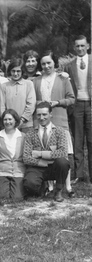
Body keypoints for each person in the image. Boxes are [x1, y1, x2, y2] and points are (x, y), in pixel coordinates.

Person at [33, 50, 75, 195]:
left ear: (54, 63)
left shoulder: (63, 79)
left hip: (59, 120)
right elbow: (32, 100)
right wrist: (41, 103)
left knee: (62, 155)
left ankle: (67, 186)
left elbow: (71, 98)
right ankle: (50, 187)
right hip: (43, 122)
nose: (46, 66)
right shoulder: (36, 81)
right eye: (43, 63)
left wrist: (58, 102)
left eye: (49, 63)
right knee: (47, 152)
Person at [23, 102, 69, 202]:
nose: (41, 117)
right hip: (37, 167)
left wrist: (40, 154)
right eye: (39, 115)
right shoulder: (30, 133)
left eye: (44, 114)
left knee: (63, 162)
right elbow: (26, 157)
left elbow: (63, 152)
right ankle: (41, 189)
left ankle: (58, 190)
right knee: (29, 183)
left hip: (54, 167)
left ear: (50, 114)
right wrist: (41, 162)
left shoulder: (59, 131)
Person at [63, 35, 92, 184]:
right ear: (74, 48)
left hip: (91, 105)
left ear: (87, 46)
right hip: (77, 105)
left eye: (83, 46)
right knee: (78, 141)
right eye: (77, 46)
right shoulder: (69, 65)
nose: (80, 49)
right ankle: (79, 175)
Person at [0, 57, 36, 134]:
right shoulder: (4, 86)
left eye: (18, 71)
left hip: (26, 125)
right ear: (10, 71)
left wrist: (22, 120)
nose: (15, 74)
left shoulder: (29, 84)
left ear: (22, 71)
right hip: (9, 125)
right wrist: (7, 121)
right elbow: (2, 106)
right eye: (13, 71)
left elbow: (31, 104)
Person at [0, 109, 26, 200]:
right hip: (2, 171)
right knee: (2, 197)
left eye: (10, 119)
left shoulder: (23, 136)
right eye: (5, 120)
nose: (7, 122)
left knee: (17, 198)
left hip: (18, 171)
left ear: (15, 120)